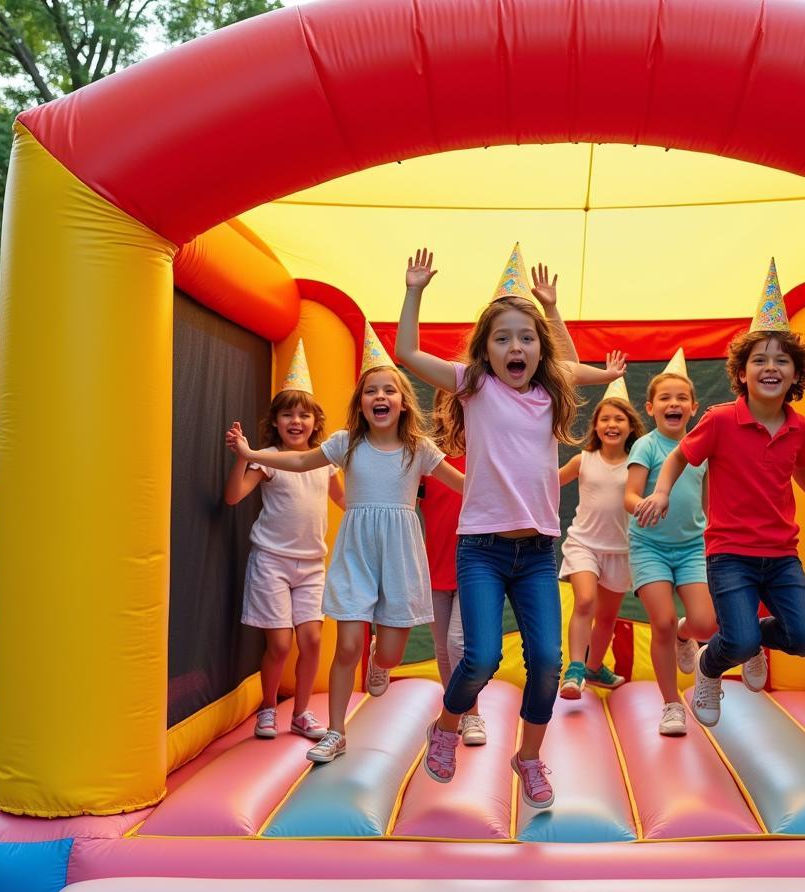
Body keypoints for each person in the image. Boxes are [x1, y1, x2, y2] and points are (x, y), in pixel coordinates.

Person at [395, 244, 624, 808]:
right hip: (482, 551)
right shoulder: (474, 386)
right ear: (485, 351)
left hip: (537, 554)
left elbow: (574, 368)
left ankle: (529, 758)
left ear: (538, 347)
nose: (515, 347)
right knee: (480, 657)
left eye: (525, 337)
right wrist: (415, 291)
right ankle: (445, 728)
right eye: (502, 338)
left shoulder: (548, 392)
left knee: (546, 661)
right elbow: (405, 353)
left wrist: (552, 309)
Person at [227, 332, 464, 763]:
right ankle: (336, 731)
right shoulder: (346, 444)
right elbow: (300, 460)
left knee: (389, 651)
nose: (380, 396)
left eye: (388, 390)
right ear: (361, 404)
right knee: (346, 645)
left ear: (403, 402)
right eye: (371, 391)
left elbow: (464, 484)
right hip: (356, 554)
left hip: (400, 558)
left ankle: (381, 660)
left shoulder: (419, 449)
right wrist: (249, 451)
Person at [636, 260, 805, 727]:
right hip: (730, 551)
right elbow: (677, 458)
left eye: (781, 360)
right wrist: (663, 492)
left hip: (782, 552)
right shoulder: (721, 420)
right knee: (739, 639)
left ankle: (752, 642)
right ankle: (712, 667)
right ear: (743, 373)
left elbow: (802, 467)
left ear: (796, 374)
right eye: (760, 360)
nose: (771, 367)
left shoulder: (798, 426)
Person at [223, 342, 344, 740]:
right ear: (275, 422)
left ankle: (303, 712)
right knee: (279, 644)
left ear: (315, 422)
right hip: (272, 561)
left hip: (310, 565)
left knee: (310, 640)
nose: (297, 420)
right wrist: (244, 453)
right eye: (288, 414)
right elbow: (234, 496)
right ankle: (268, 706)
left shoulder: (323, 461)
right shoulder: (269, 457)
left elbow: (346, 500)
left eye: (304, 414)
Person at [623, 353, 716, 736]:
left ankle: (685, 634)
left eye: (681, 398)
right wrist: (643, 505)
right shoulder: (646, 446)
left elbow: (708, 502)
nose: (673, 404)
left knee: (706, 624)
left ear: (693, 408)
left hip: (692, 546)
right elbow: (629, 496)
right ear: (651, 407)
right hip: (650, 547)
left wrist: (713, 535)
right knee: (659, 621)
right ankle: (672, 704)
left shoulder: (703, 450)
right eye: (665, 398)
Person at [557, 384, 642, 699]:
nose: (612, 425)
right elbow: (550, 482)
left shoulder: (638, 463)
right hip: (584, 545)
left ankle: (594, 668)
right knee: (586, 601)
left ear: (630, 426)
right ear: (595, 426)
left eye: (619, 419)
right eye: (605, 419)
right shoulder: (584, 460)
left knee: (607, 617)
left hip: (621, 550)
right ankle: (575, 669)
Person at [420, 391, 486, 745]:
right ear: (440, 412)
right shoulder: (428, 458)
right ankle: (454, 712)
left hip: (476, 565)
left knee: (459, 643)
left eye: (465, 402)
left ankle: (472, 714)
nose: (458, 409)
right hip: (435, 565)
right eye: (450, 403)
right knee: (443, 648)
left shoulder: (485, 452)